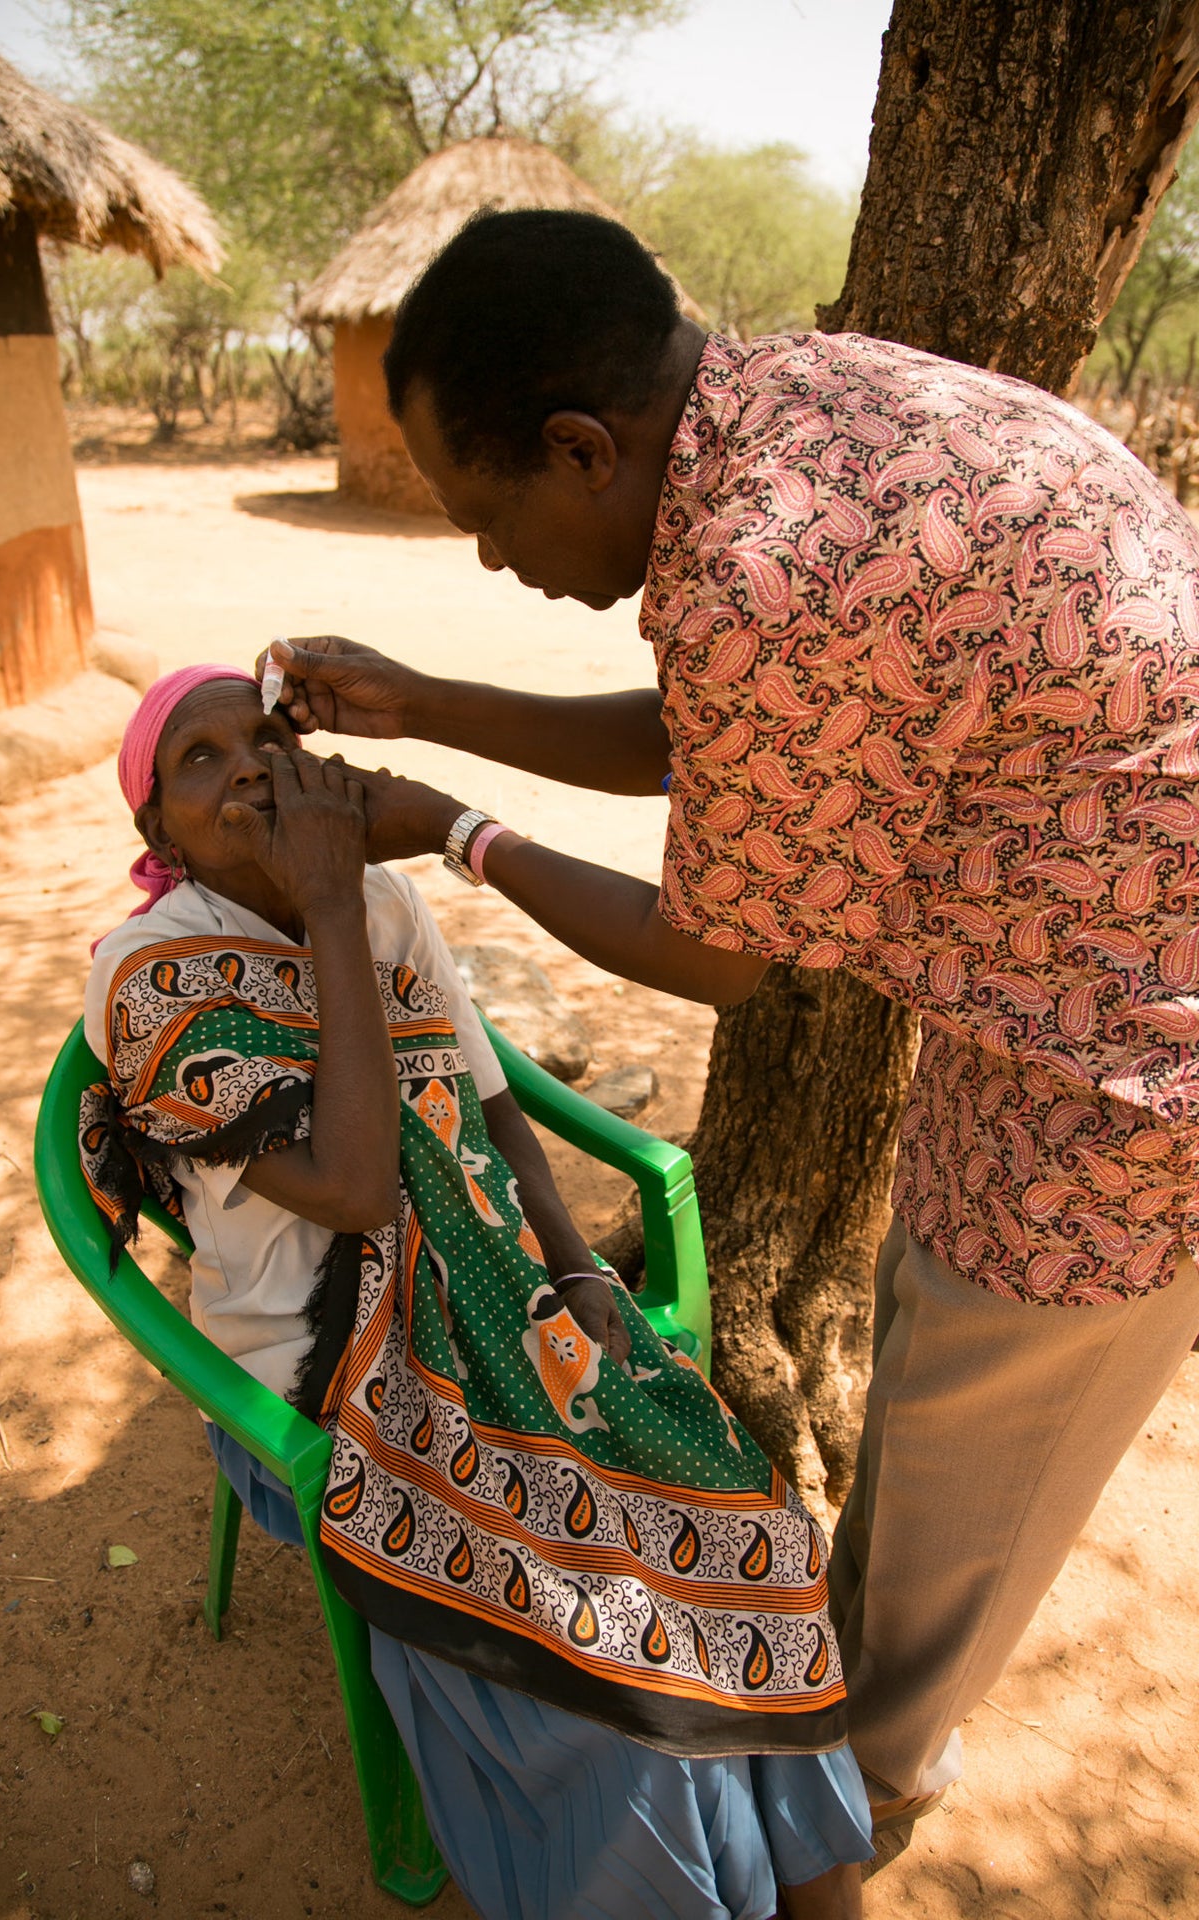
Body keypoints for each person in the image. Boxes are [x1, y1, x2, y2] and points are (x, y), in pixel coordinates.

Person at [259, 207, 1199, 1832]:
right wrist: (420, 699)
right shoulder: (798, 408)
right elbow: (735, 729)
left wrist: (449, 824)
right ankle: (852, 1705)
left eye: (485, 521)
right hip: (1045, 1009)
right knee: (933, 1415)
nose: (492, 562)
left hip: (1123, 1086)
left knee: (979, 1485)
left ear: (578, 448)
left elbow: (715, 956)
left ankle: (860, 1799)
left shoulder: (768, 562)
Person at [81, 663, 872, 1920]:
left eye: (264, 738)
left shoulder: (384, 900)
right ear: (157, 832)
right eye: (198, 759)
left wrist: (569, 1269)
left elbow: (491, 1109)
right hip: (332, 1386)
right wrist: (331, 905)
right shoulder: (147, 976)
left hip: (500, 1301)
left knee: (758, 1540)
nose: (244, 766)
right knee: (610, 1687)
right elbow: (350, 1185)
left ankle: (819, 1889)